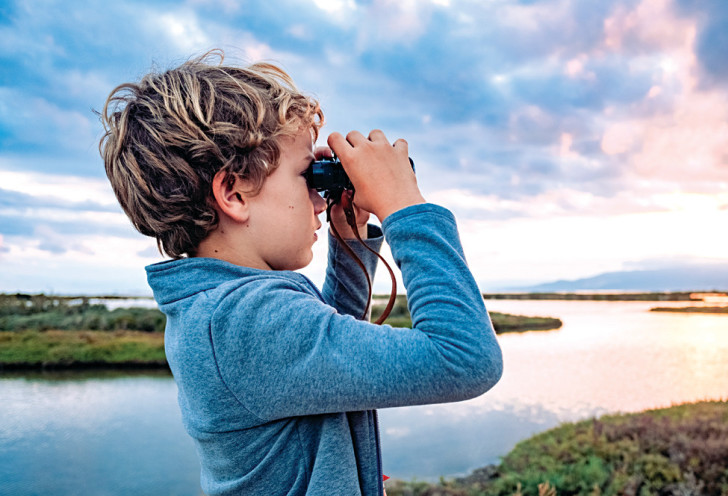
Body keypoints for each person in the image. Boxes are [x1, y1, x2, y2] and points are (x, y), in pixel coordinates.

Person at [99, 50, 503, 496]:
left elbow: (322, 349)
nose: (317, 199)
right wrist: (406, 207)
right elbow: (465, 359)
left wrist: (350, 236)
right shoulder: (245, 319)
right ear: (233, 193)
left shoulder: (223, 307)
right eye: (304, 177)